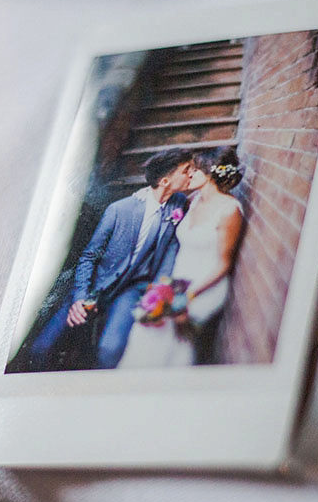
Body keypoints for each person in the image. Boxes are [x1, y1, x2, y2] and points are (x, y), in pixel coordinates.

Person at [25, 149, 194, 370]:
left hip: (132, 289)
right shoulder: (118, 210)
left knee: (110, 349)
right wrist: (80, 297)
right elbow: (89, 256)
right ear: (164, 181)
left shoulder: (178, 204)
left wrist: (159, 289)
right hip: (96, 285)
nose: (191, 174)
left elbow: (169, 251)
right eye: (186, 171)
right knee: (42, 348)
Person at [118, 147, 245, 368]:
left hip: (205, 286)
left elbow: (224, 264)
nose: (189, 175)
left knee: (169, 335)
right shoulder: (193, 200)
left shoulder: (229, 210)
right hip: (176, 282)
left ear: (208, 174)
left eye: (193, 170)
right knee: (145, 327)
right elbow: (159, 198)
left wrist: (187, 296)